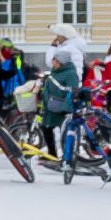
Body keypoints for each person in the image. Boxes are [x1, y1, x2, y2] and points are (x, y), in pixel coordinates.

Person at [38, 25, 87, 158]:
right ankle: (55, 153)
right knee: (56, 127)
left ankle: (62, 154)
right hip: (58, 98)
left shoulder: (66, 51)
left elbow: (50, 62)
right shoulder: (72, 50)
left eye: (58, 36)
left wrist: (53, 47)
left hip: (60, 99)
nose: (56, 38)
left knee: (61, 128)